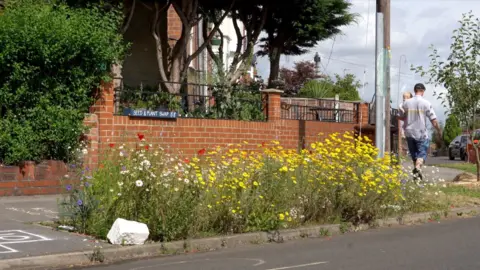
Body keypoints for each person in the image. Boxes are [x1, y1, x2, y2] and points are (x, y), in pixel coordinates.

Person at [398, 83, 442, 181]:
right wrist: (438, 130)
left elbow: (400, 116)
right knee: (422, 153)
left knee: (414, 154)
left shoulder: (406, 103)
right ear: (422, 91)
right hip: (421, 132)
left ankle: (416, 176)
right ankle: (417, 169)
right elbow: (433, 120)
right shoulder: (426, 103)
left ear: (414, 91)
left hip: (409, 132)